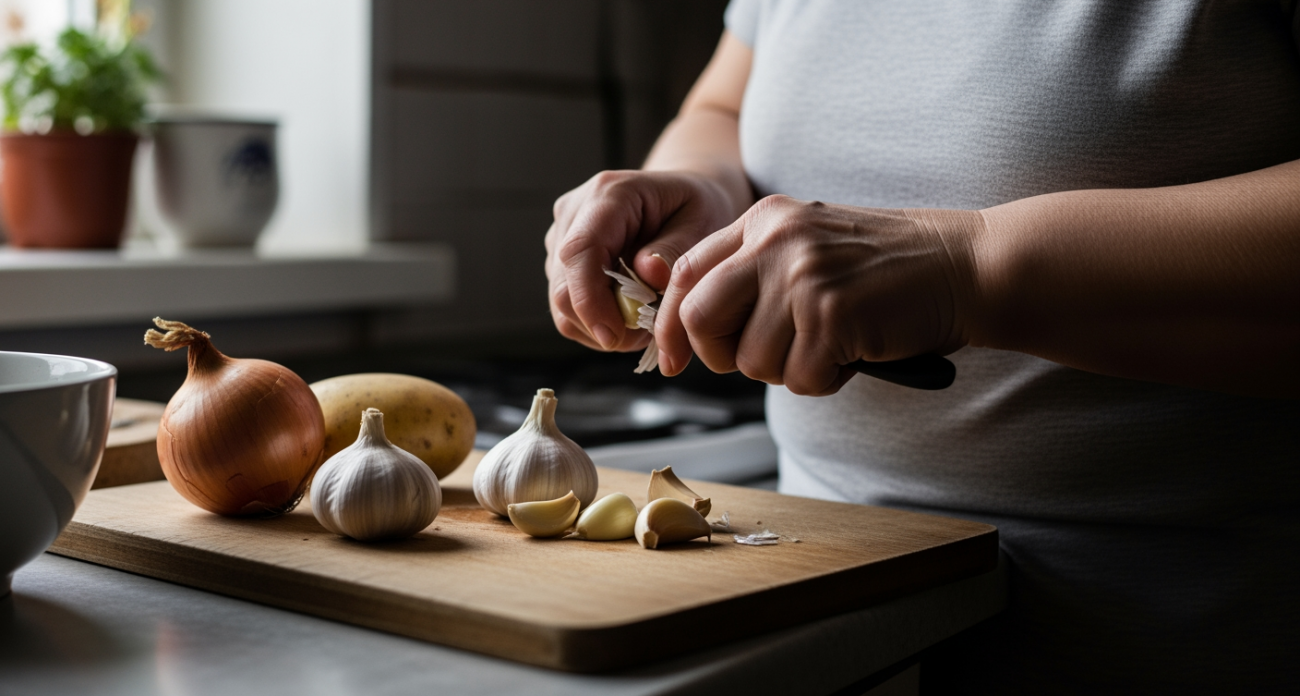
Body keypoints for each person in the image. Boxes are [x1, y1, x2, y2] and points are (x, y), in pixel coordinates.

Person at [544, 2, 1300, 693]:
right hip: (816, 605)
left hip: (1180, 636)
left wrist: (971, 267)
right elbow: (722, 106)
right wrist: (700, 185)